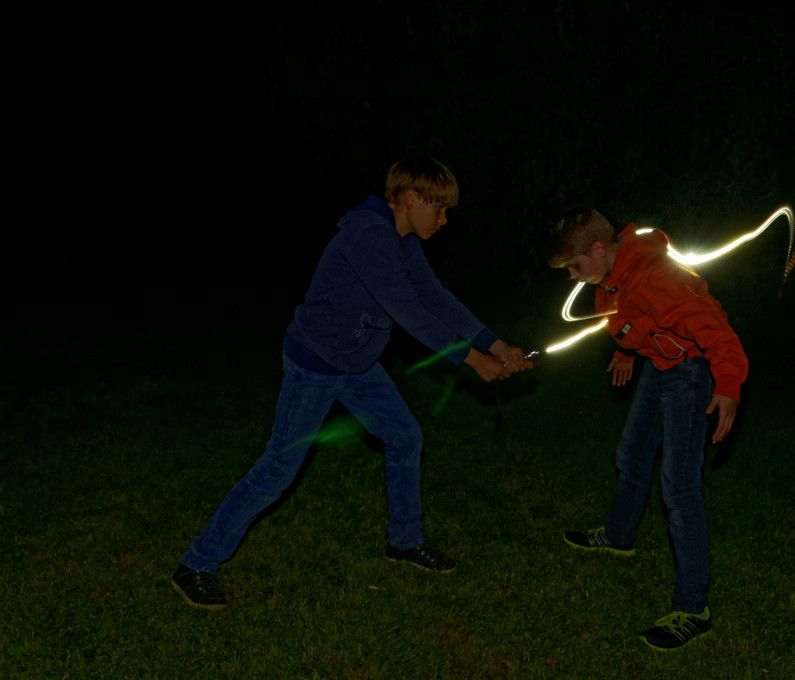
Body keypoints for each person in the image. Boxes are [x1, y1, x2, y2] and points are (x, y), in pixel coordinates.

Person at [172, 157, 533, 609]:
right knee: (277, 471)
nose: (444, 219)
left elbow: (434, 297)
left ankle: (404, 541)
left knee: (405, 436)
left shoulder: (405, 242)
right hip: (316, 365)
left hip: (358, 365)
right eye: (439, 208)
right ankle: (196, 564)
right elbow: (409, 312)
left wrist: (495, 344)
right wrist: (473, 361)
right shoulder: (368, 237)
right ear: (410, 198)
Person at [549, 207, 748, 651]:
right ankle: (619, 535)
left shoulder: (655, 277)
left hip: (689, 374)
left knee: (679, 488)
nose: (572, 278)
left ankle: (693, 609)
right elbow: (633, 316)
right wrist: (626, 352)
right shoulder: (612, 276)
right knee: (632, 453)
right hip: (660, 367)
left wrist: (729, 385)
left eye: (574, 267)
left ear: (598, 249)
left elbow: (714, 327)